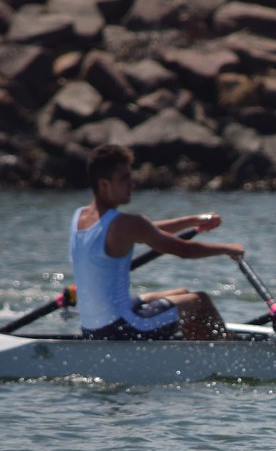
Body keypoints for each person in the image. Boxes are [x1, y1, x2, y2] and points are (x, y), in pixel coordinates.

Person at [70, 144, 244, 341]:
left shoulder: (80, 217)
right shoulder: (127, 224)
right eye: (125, 178)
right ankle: (221, 356)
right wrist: (229, 248)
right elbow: (185, 250)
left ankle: (195, 347)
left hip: (92, 329)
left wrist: (194, 220)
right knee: (200, 301)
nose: (132, 184)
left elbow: (148, 230)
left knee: (182, 293)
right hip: (123, 329)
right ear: (104, 185)